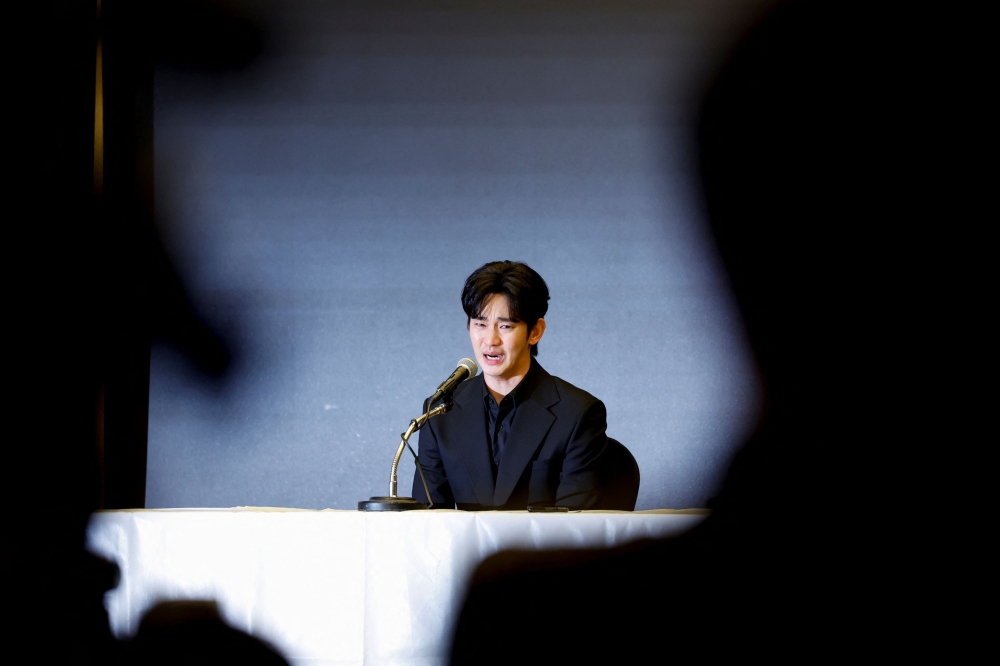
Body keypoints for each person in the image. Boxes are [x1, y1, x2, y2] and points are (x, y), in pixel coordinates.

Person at [412, 261, 609, 510]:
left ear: (535, 331)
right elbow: (426, 520)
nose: (490, 340)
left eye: (505, 326)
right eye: (480, 324)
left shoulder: (578, 413)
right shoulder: (440, 412)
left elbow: (577, 526)